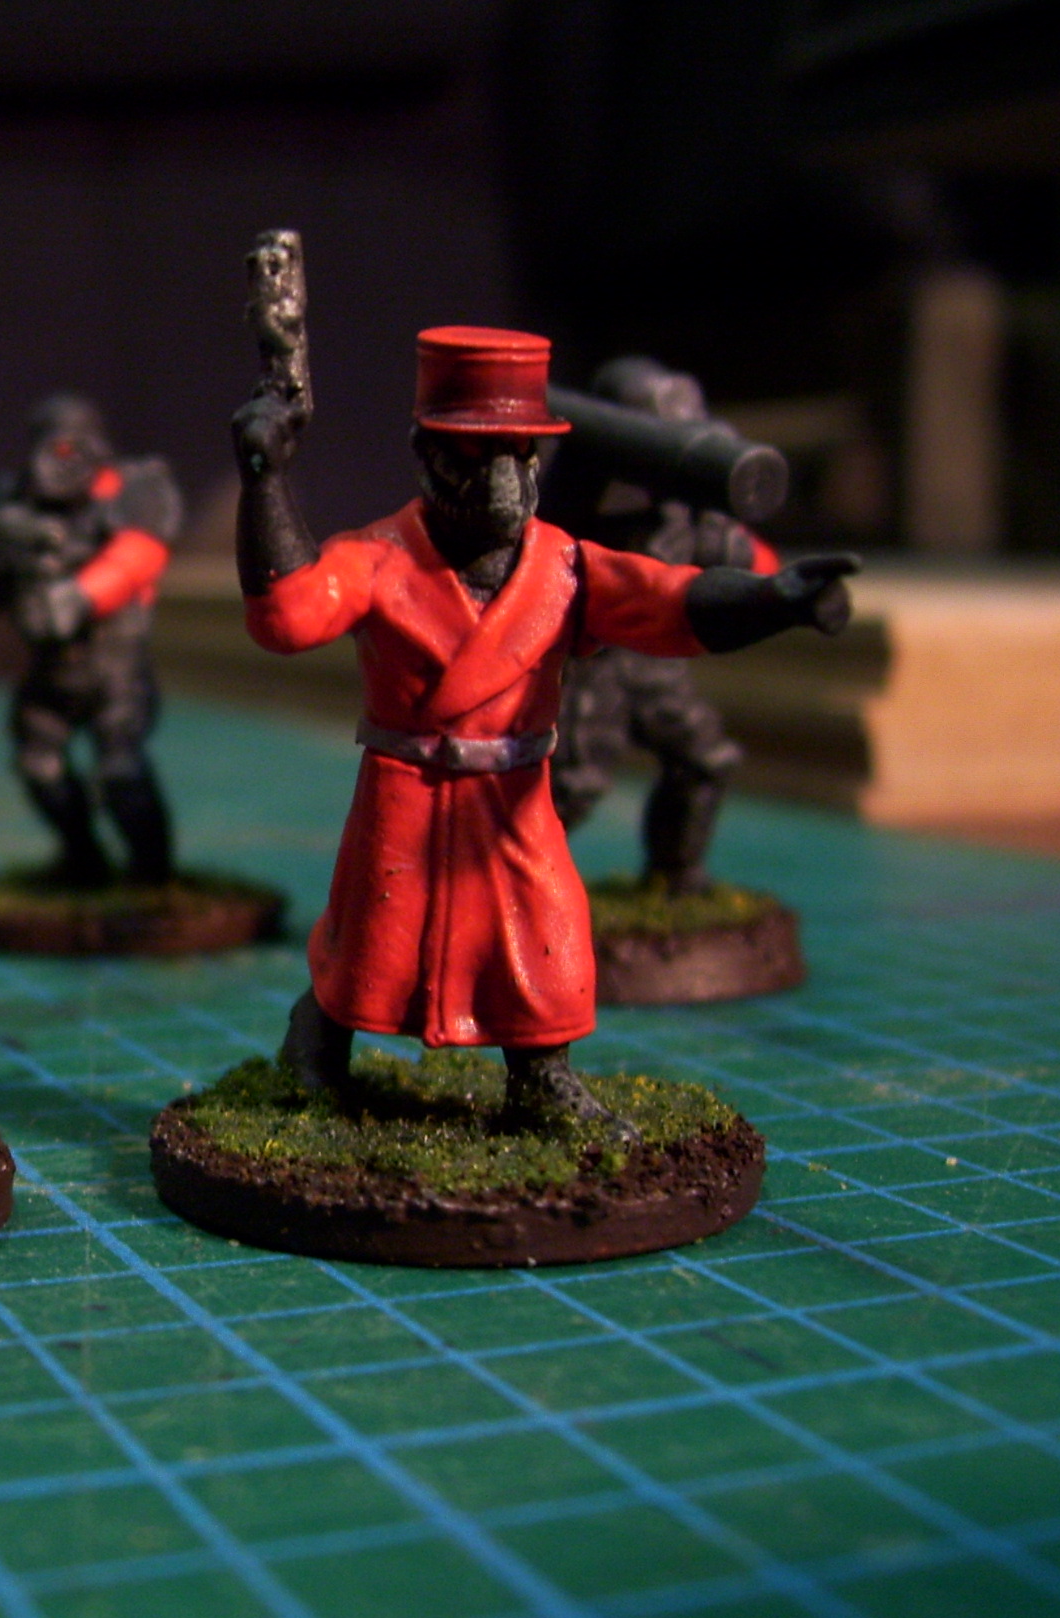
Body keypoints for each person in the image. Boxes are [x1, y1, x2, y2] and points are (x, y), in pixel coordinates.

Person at [231, 325, 853, 1139]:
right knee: (375, 940)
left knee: (542, 934)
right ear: (427, 454)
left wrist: (773, 601)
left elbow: (670, 602)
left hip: (514, 803)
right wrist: (266, 480)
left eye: (518, 455)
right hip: (408, 796)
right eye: (475, 455)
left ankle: (540, 1077)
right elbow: (288, 614)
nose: (501, 481)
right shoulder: (379, 558)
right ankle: (317, 1039)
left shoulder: (564, 566)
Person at [546, 357, 776, 894]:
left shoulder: (690, 500)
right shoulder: (581, 486)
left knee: (704, 759)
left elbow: (732, 558)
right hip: (592, 659)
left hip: (654, 661)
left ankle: (676, 875)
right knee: (570, 787)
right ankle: (503, 893)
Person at [0, 396, 183, 884]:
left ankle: (153, 875)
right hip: (50, 670)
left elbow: (142, 551)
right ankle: (84, 860)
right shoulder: (8, 503)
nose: (64, 459)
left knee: (120, 770)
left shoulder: (131, 490)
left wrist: (81, 595)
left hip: (117, 669)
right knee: (39, 765)